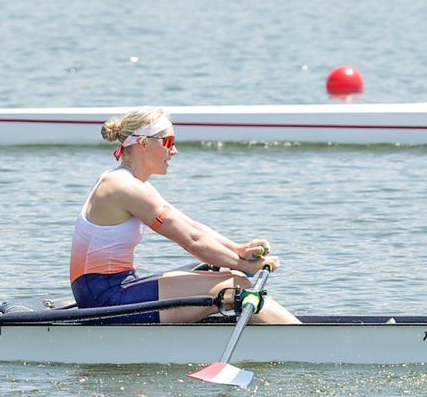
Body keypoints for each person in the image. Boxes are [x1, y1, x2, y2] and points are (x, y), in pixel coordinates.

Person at [70, 107, 299, 324]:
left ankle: (293, 332)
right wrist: (246, 266)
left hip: (115, 287)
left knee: (219, 272)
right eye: (168, 142)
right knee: (235, 284)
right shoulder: (123, 186)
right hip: (104, 300)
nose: (174, 150)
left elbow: (191, 226)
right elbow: (192, 241)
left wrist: (237, 250)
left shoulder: (129, 181)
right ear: (143, 143)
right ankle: (303, 339)